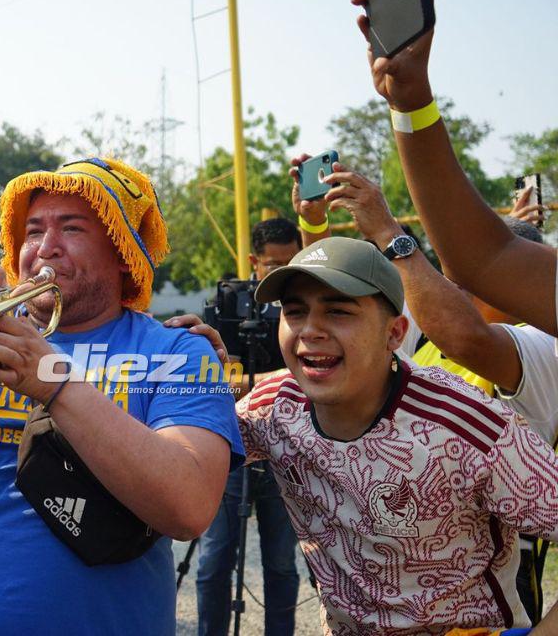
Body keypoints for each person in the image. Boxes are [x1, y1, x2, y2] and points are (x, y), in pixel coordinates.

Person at [0, 157, 244, 634]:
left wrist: (54, 382)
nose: (45, 248)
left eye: (72, 229)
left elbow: (188, 508)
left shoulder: (178, 350)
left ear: (121, 249)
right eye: (31, 232)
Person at [236, 235, 558, 632]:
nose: (311, 330)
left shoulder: (467, 427)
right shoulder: (272, 408)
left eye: (338, 312)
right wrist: (188, 365)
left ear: (394, 334)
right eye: (295, 311)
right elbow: (189, 461)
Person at [321, 166, 558, 623]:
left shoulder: (542, 349)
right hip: (399, 564)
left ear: (518, 285)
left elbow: (467, 337)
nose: (449, 288)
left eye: (468, 277)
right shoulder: (425, 337)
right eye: (450, 275)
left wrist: (390, 231)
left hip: (494, 576)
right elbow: (346, 340)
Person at [350, 0, 557, 337]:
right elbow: (485, 259)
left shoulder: (534, 350)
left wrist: (387, 231)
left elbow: (471, 321)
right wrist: (409, 99)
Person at [191, 218, 302, 636]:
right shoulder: (224, 306)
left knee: (280, 563)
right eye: (273, 265)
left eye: (290, 263)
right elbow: (215, 379)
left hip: (284, 453)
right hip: (229, 450)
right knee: (214, 559)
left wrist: (249, 384)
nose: (281, 275)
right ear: (254, 262)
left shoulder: (302, 310)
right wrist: (279, 381)